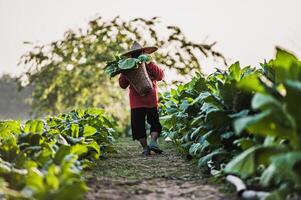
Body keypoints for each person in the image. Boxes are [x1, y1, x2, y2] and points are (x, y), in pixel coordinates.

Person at [118, 41, 164, 156]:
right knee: (154, 123)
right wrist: (151, 63)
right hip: (151, 100)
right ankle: (153, 141)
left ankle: (145, 148)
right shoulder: (149, 63)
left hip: (136, 102)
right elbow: (160, 76)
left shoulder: (128, 66)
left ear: (131, 55)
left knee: (138, 126)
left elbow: (122, 85)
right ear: (143, 52)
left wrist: (124, 72)